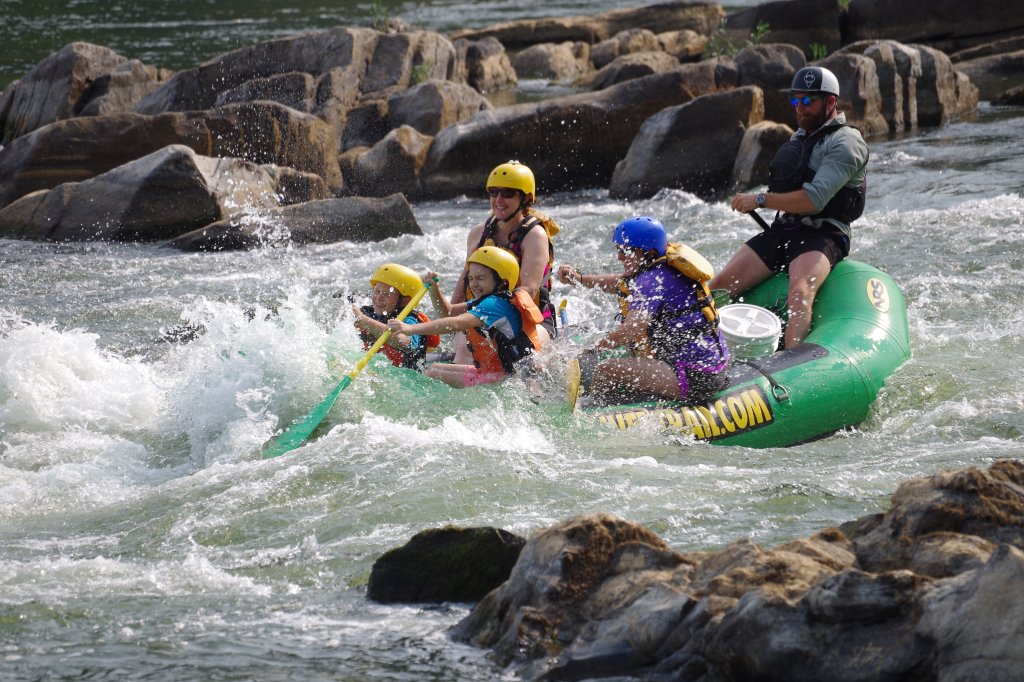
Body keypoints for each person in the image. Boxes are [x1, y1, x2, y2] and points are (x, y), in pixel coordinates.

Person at [711, 65, 869, 349]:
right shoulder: (800, 136)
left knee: (799, 293)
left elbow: (814, 199)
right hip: (786, 229)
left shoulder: (847, 142)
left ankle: (788, 367)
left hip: (824, 234)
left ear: (830, 102)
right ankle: (694, 352)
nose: (799, 107)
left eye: (807, 101)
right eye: (795, 100)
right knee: (719, 285)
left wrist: (760, 200)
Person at [558, 216, 729, 404]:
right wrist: (580, 279)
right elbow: (619, 283)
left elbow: (632, 330)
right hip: (709, 368)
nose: (619, 257)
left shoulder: (651, 280)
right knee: (634, 351)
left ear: (648, 252)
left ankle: (599, 412)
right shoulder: (663, 268)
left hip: (694, 377)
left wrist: (591, 348)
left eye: (626, 250)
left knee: (604, 370)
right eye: (618, 249)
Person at [449, 161, 560, 364]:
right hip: (478, 318)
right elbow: (461, 289)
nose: (498, 200)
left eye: (508, 193)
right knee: (465, 353)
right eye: (493, 192)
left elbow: (528, 290)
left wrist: (492, 317)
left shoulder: (534, 235)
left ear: (525, 198)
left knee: (528, 360)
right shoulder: (477, 234)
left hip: (529, 321)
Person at [388, 246, 543, 388]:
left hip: (507, 378)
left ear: (502, 281)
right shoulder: (486, 301)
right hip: (492, 372)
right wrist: (434, 290)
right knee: (433, 367)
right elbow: (447, 312)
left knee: (431, 374)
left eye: (480, 278)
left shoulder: (494, 305)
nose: (474, 284)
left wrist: (410, 328)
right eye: (471, 278)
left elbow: (456, 323)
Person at [352, 263, 439, 370]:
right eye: (377, 291)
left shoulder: (411, 321)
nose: (379, 298)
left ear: (404, 301)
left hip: (405, 378)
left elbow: (403, 342)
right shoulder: (368, 313)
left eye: (387, 294)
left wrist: (364, 321)